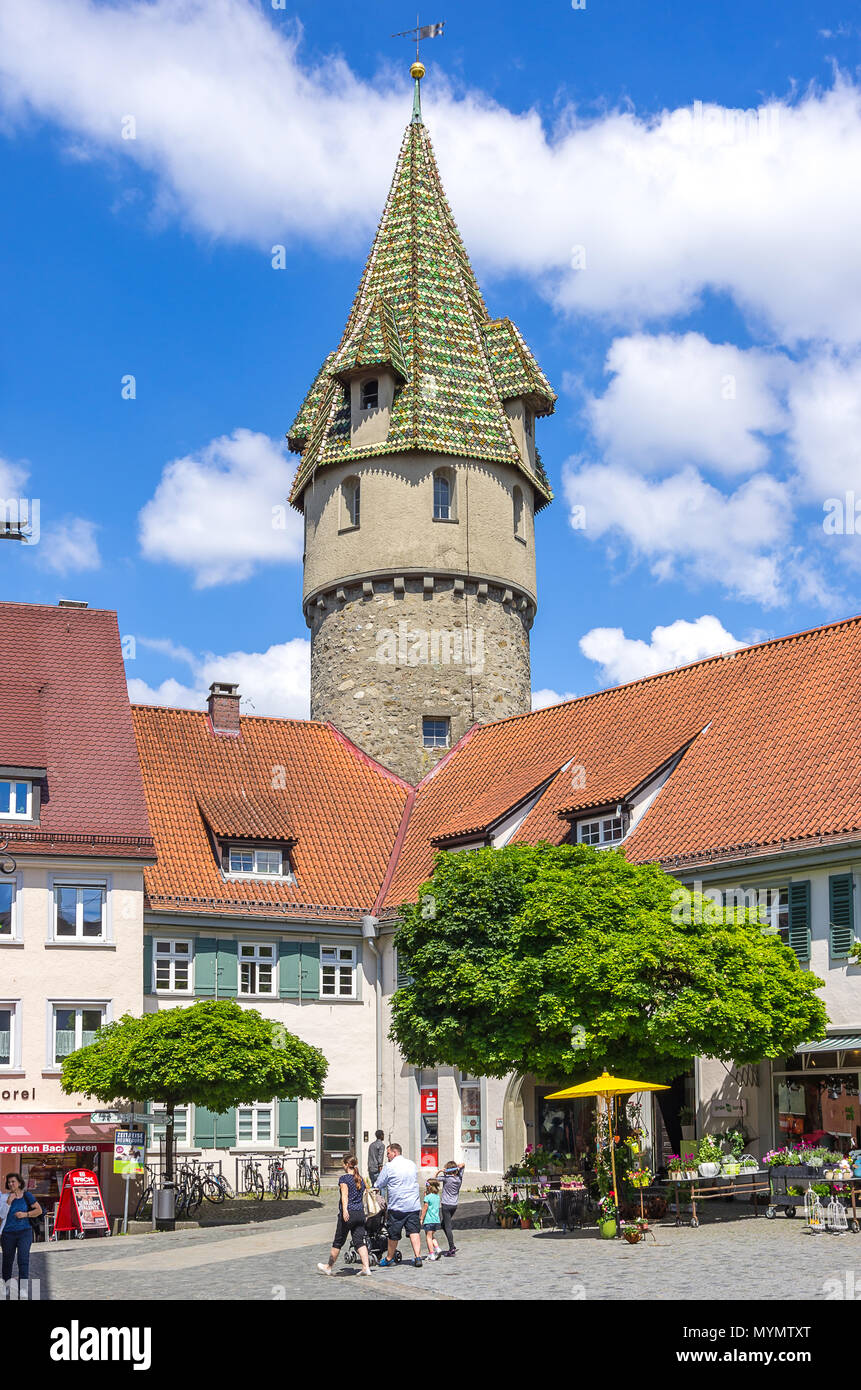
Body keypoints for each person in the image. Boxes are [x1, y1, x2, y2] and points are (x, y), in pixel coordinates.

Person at [317, 1154, 371, 1277]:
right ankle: (366, 1267)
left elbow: (344, 1196)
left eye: (343, 1163)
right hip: (360, 1213)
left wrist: (345, 1211)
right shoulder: (360, 1178)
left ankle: (328, 1267)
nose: (342, 1165)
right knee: (359, 1241)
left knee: (338, 1241)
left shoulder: (344, 1179)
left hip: (349, 1214)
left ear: (347, 1165)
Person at [374, 1142, 423, 1268]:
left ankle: (389, 1258)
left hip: (398, 1206)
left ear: (395, 1153)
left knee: (393, 1234)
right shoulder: (411, 1164)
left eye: (388, 1153)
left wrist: (374, 1188)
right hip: (413, 1204)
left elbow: (379, 1183)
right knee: (414, 1231)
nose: (387, 1156)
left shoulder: (389, 1166)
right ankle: (418, 1257)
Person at [1, 1174, 42, 1288]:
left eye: (13, 1181)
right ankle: (6, 1287)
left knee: (23, 1260)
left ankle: (23, 1288)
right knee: (7, 1261)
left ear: (19, 1183)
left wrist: (25, 1214)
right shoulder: (4, 1197)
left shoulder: (27, 1196)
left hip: (25, 1232)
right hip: (8, 1234)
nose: (11, 1184)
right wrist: (9, 1201)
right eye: (9, 1182)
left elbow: (38, 1210)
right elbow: (2, 1215)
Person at [436, 1159, 465, 1256]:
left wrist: (439, 1171)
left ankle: (451, 1247)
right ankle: (452, 1246)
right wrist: (458, 1167)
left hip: (446, 1205)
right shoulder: (459, 1178)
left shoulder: (446, 1178)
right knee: (443, 1224)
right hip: (454, 1205)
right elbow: (463, 1165)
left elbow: (433, 1180)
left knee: (447, 1226)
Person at [421, 1179, 442, 1260]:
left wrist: (421, 1218)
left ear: (429, 1187)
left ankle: (431, 1254)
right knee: (431, 1235)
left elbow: (425, 1208)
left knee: (428, 1237)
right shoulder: (437, 1197)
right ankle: (437, 1248)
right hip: (436, 1220)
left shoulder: (427, 1197)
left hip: (429, 1220)